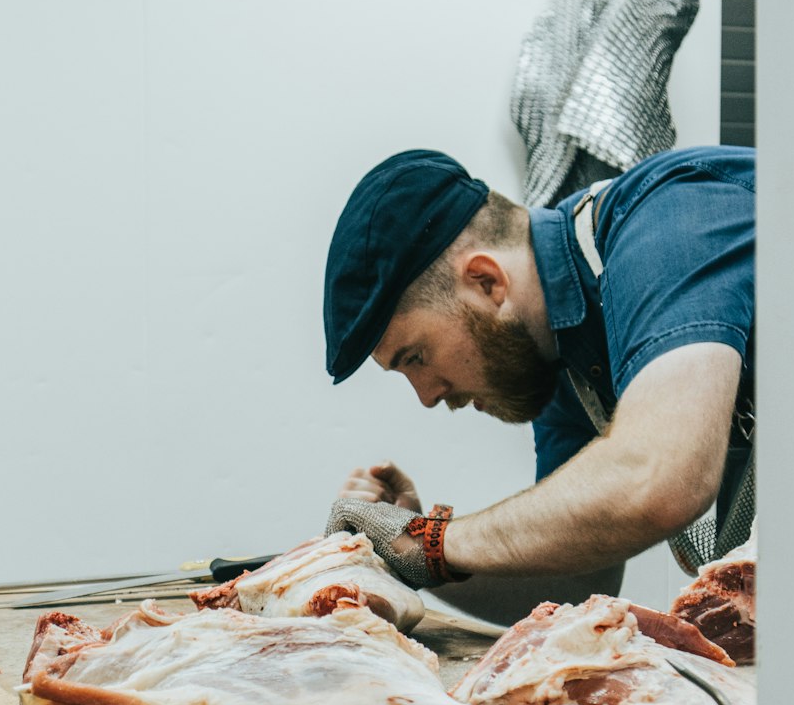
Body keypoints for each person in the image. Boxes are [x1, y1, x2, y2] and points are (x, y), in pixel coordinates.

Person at [323, 146, 755, 624]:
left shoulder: (669, 219)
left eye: (417, 357)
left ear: (486, 281)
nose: (427, 396)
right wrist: (412, 551)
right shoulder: (558, 354)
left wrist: (430, 541)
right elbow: (576, 585)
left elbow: (660, 476)